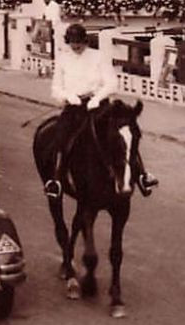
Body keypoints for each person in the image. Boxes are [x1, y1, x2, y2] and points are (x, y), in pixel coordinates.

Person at [43, 24, 154, 197]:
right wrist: (68, 96)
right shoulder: (63, 59)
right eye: (72, 42)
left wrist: (97, 98)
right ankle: (56, 180)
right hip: (74, 107)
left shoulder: (98, 57)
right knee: (61, 136)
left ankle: (142, 175)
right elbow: (56, 88)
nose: (76, 46)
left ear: (85, 41)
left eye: (79, 42)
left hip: (98, 106)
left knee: (124, 133)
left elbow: (111, 83)